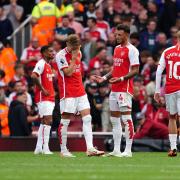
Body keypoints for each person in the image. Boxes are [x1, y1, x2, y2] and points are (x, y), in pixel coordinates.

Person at [93, 24, 139, 157]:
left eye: (119, 34)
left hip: (124, 89)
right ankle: (117, 149)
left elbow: (135, 70)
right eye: (115, 34)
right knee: (114, 119)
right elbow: (115, 68)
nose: (117, 37)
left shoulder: (132, 50)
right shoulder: (117, 49)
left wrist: (121, 79)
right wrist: (104, 77)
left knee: (126, 119)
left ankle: (128, 151)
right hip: (114, 89)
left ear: (126, 34)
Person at [55, 34, 104, 157]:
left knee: (87, 118)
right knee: (65, 121)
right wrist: (73, 58)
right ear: (68, 44)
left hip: (80, 91)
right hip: (68, 92)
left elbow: (78, 72)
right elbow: (69, 72)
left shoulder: (79, 52)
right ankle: (63, 150)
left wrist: (88, 77)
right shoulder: (60, 56)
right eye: (74, 47)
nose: (76, 50)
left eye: (78, 47)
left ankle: (90, 148)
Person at [154, 31, 180, 157]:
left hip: (170, 89)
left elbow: (159, 72)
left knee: (172, 117)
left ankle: (173, 147)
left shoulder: (167, 51)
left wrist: (157, 91)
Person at [31, 45, 55, 155]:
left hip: (49, 97)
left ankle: (38, 147)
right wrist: (42, 89)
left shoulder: (48, 65)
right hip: (43, 97)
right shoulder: (41, 63)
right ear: (44, 53)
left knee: (43, 121)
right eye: (50, 51)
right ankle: (45, 148)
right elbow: (34, 76)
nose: (53, 53)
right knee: (48, 120)